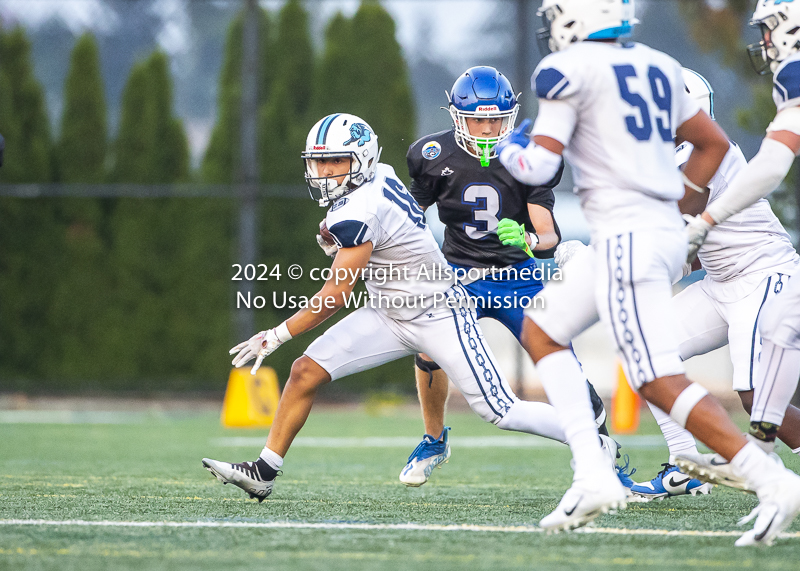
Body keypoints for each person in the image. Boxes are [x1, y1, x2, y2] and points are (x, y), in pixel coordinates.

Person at [494, 0, 800, 544]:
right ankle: (594, 474)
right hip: (657, 238)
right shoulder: (659, 64)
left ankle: (771, 479)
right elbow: (713, 142)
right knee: (544, 330)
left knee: (657, 378)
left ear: (573, 17)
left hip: (641, 236)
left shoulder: (567, 69)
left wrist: (509, 146)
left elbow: (537, 167)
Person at [201, 113, 618, 502]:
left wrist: (274, 336)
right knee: (305, 370)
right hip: (389, 312)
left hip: (439, 312)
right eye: (319, 162)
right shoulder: (377, 177)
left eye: (335, 162)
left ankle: (593, 441)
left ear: (360, 159)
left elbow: (335, 295)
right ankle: (263, 471)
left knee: (501, 410)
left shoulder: (361, 209)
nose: (325, 172)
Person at [396, 66, 611, 487]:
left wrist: (528, 239)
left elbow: (548, 236)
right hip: (458, 274)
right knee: (428, 349)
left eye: (496, 118)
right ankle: (434, 439)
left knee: (559, 363)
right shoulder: (431, 155)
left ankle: (602, 450)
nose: (488, 128)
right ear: (457, 116)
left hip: (518, 276)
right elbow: (404, 219)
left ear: (510, 116)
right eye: (479, 118)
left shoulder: (530, 156)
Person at [682, 0, 800, 515]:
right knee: (647, 349)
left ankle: (766, 474)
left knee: (757, 396)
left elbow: (770, 167)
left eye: (771, 28)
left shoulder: (701, 149)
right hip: (721, 281)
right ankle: (682, 463)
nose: (766, 42)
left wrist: (702, 224)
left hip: (762, 273)